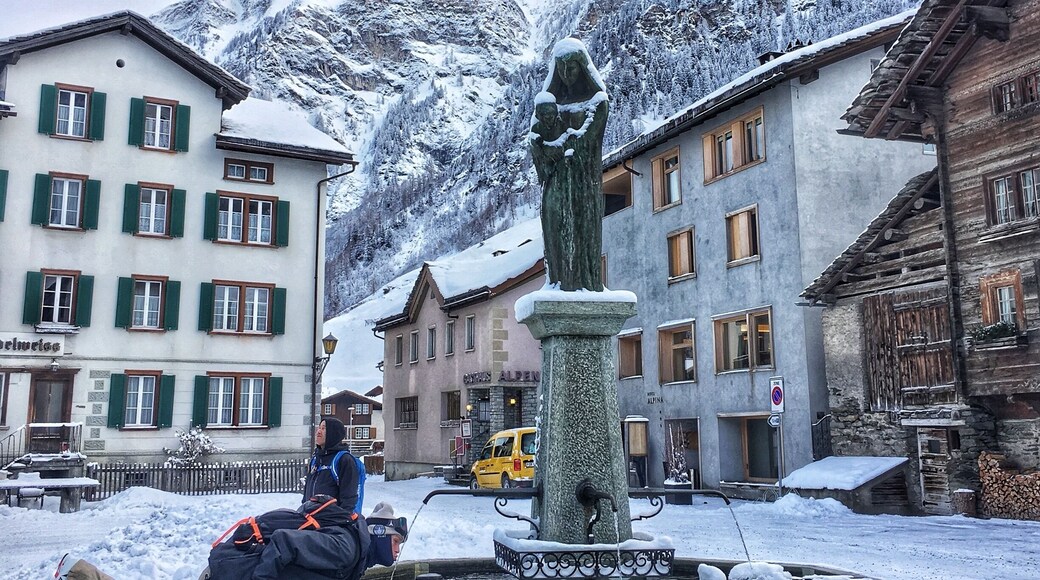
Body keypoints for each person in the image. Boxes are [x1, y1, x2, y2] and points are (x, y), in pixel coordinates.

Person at [529, 38, 609, 292]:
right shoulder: (548, 104)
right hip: (556, 178)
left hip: (584, 178)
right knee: (555, 227)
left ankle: (583, 283)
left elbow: (586, 139)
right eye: (561, 69)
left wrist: (560, 146)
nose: (566, 74)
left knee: (582, 230)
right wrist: (544, 150)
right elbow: (535, 137)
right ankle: (559, 280)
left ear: (582, 67)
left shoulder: (597, 101)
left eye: (571, 68)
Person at [304, 417, 360, 512]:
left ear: (333, 433)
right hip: (311, 517)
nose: (318, 432)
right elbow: (306, 492)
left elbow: (349, 499)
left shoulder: (344, 460)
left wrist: (342, 518)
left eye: (323, 428)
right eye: (319, 428)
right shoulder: (316, 459)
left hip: (331, 518)